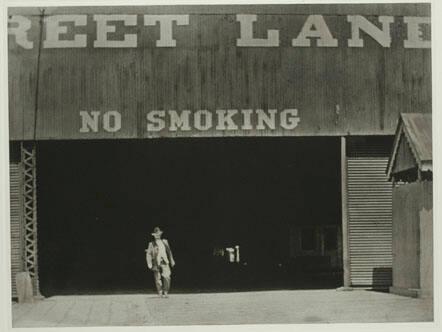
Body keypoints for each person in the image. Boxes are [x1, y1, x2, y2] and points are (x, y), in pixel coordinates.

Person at [145, 227, 175, 298]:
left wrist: (172, 260)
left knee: (167, 276)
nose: (157, 235)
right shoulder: (151, 244)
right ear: (154, 235)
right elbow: (148, 254)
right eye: (156, 234)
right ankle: (160, 292)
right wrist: (149, 263)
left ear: (160, 234)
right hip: (156, 262)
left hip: (164, 261)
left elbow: (169, 251)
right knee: (157, 278)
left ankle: (166, 291)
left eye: (158, 234)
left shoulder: (165, 241)